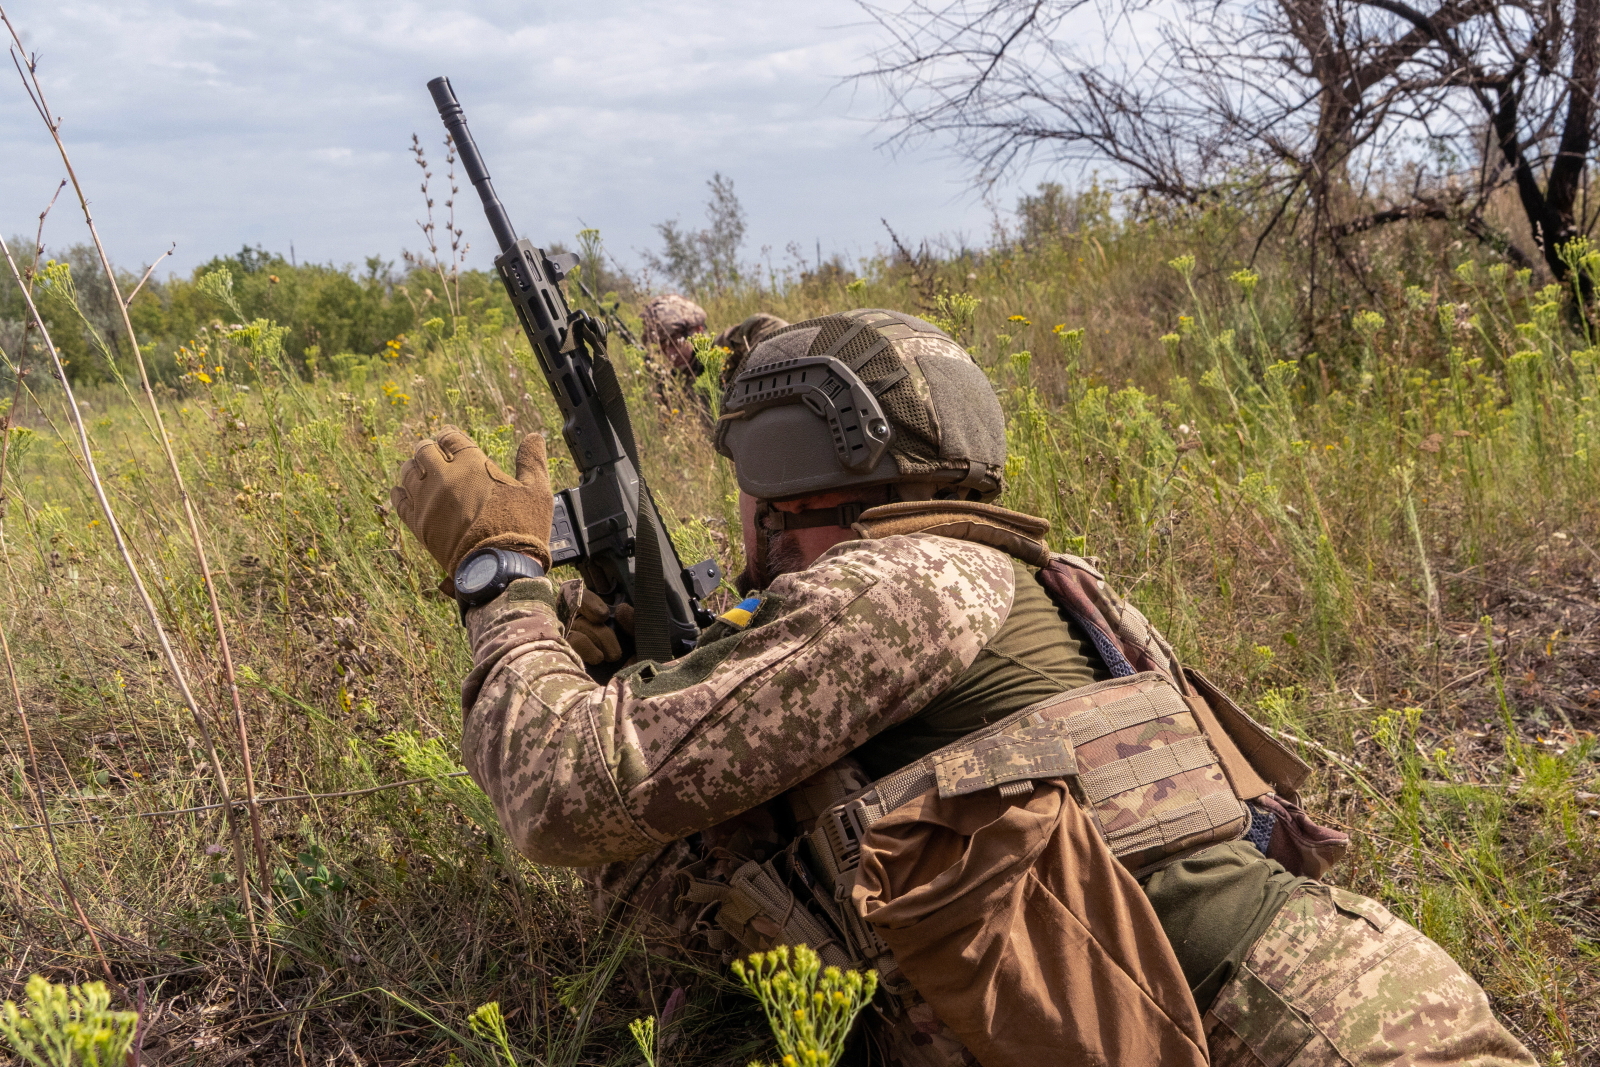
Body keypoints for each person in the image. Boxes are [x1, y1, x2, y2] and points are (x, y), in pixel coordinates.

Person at [390, 309, 1536, 1067]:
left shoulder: (900, 585)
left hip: (1275, 1031)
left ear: (785, 482)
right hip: (1325, 996)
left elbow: (558, 796)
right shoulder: (1024, 573)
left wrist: (501, 579)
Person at [639, 293, 708, 406]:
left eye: (675, 344)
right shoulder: (674, 379)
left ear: (697, 330)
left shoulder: (723, 354)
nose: (670, 355)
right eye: (663, 349)